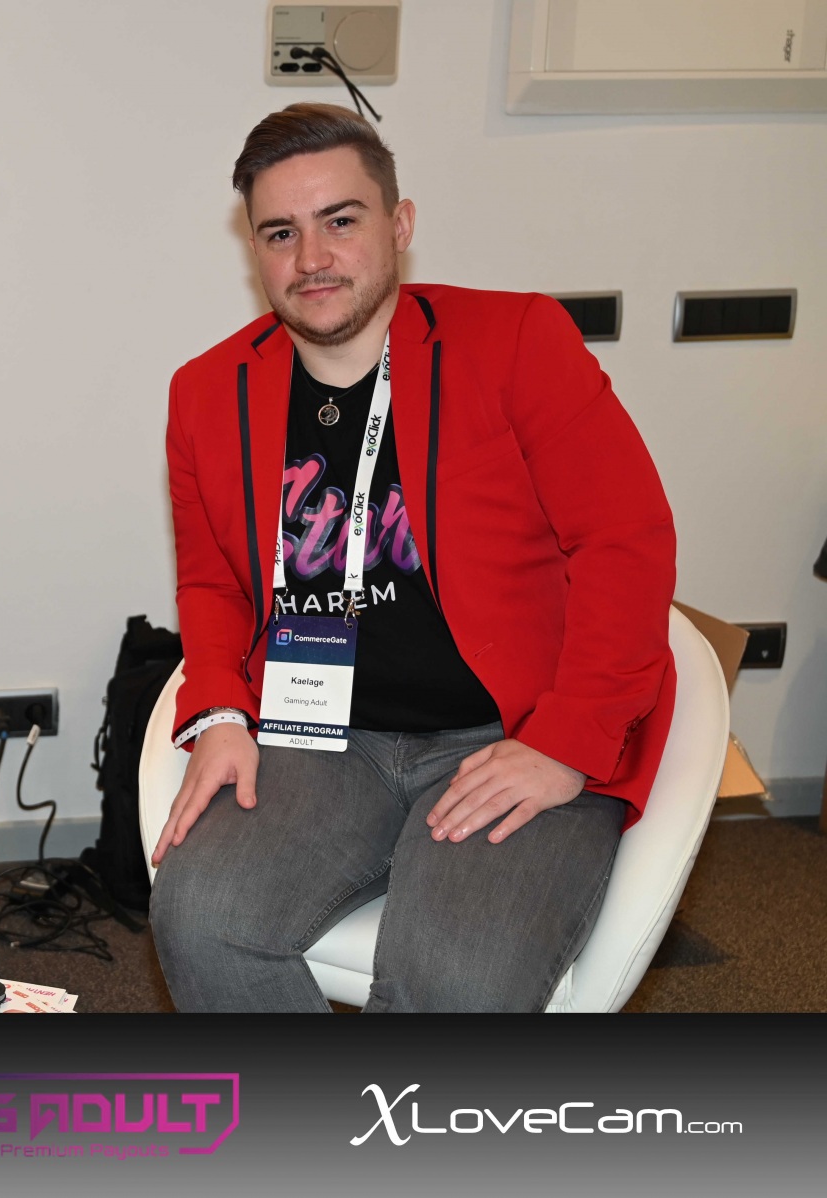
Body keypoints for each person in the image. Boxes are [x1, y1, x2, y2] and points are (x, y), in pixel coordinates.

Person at [149, 104, 676, 1012]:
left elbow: (626, 544)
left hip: (509, 729)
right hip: (322, 735)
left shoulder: (516, 343)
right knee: (200, 919)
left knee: (454, 980)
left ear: (399, 225)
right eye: (281, 232)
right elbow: (211, 581)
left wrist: (565, 742)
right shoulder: (206, 393)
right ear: (255, 249)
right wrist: (224, 711)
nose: (312, 258)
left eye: (340, 220)